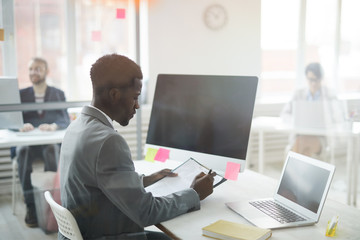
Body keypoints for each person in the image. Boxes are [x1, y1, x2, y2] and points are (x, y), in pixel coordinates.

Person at [59, 54, 216, 240]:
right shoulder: (108, 142)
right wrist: (194, 193)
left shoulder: (77, 126)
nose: (137, 105)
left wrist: (145, 180)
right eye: (135, 97)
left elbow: (95, 179)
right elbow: (146, 212)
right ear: (115, 95)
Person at [16, 57, 70, 227]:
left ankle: (51, 206)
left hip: (48, 144)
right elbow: (11, 119)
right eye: (31, 69)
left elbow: (65, 119)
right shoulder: (21, 94)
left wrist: (54, 126)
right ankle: (31, 207)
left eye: (38, 69)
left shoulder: (58, 93)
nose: (34, 72)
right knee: (22, 151)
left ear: (47, 72)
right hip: (29, 145)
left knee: (52, 150)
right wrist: (21, 126)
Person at [280, 62, 337, 158]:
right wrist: (295, 120)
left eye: (317, 79)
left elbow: (335, 117)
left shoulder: (330, 95)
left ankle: (291, 172)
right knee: (305, 151)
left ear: (321, 78)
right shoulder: (298, 93)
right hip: (299, 135)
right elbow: (285, 114)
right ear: (306, 77)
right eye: (311, 79)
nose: (314, 83)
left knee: (302, 142)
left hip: (320, 138)